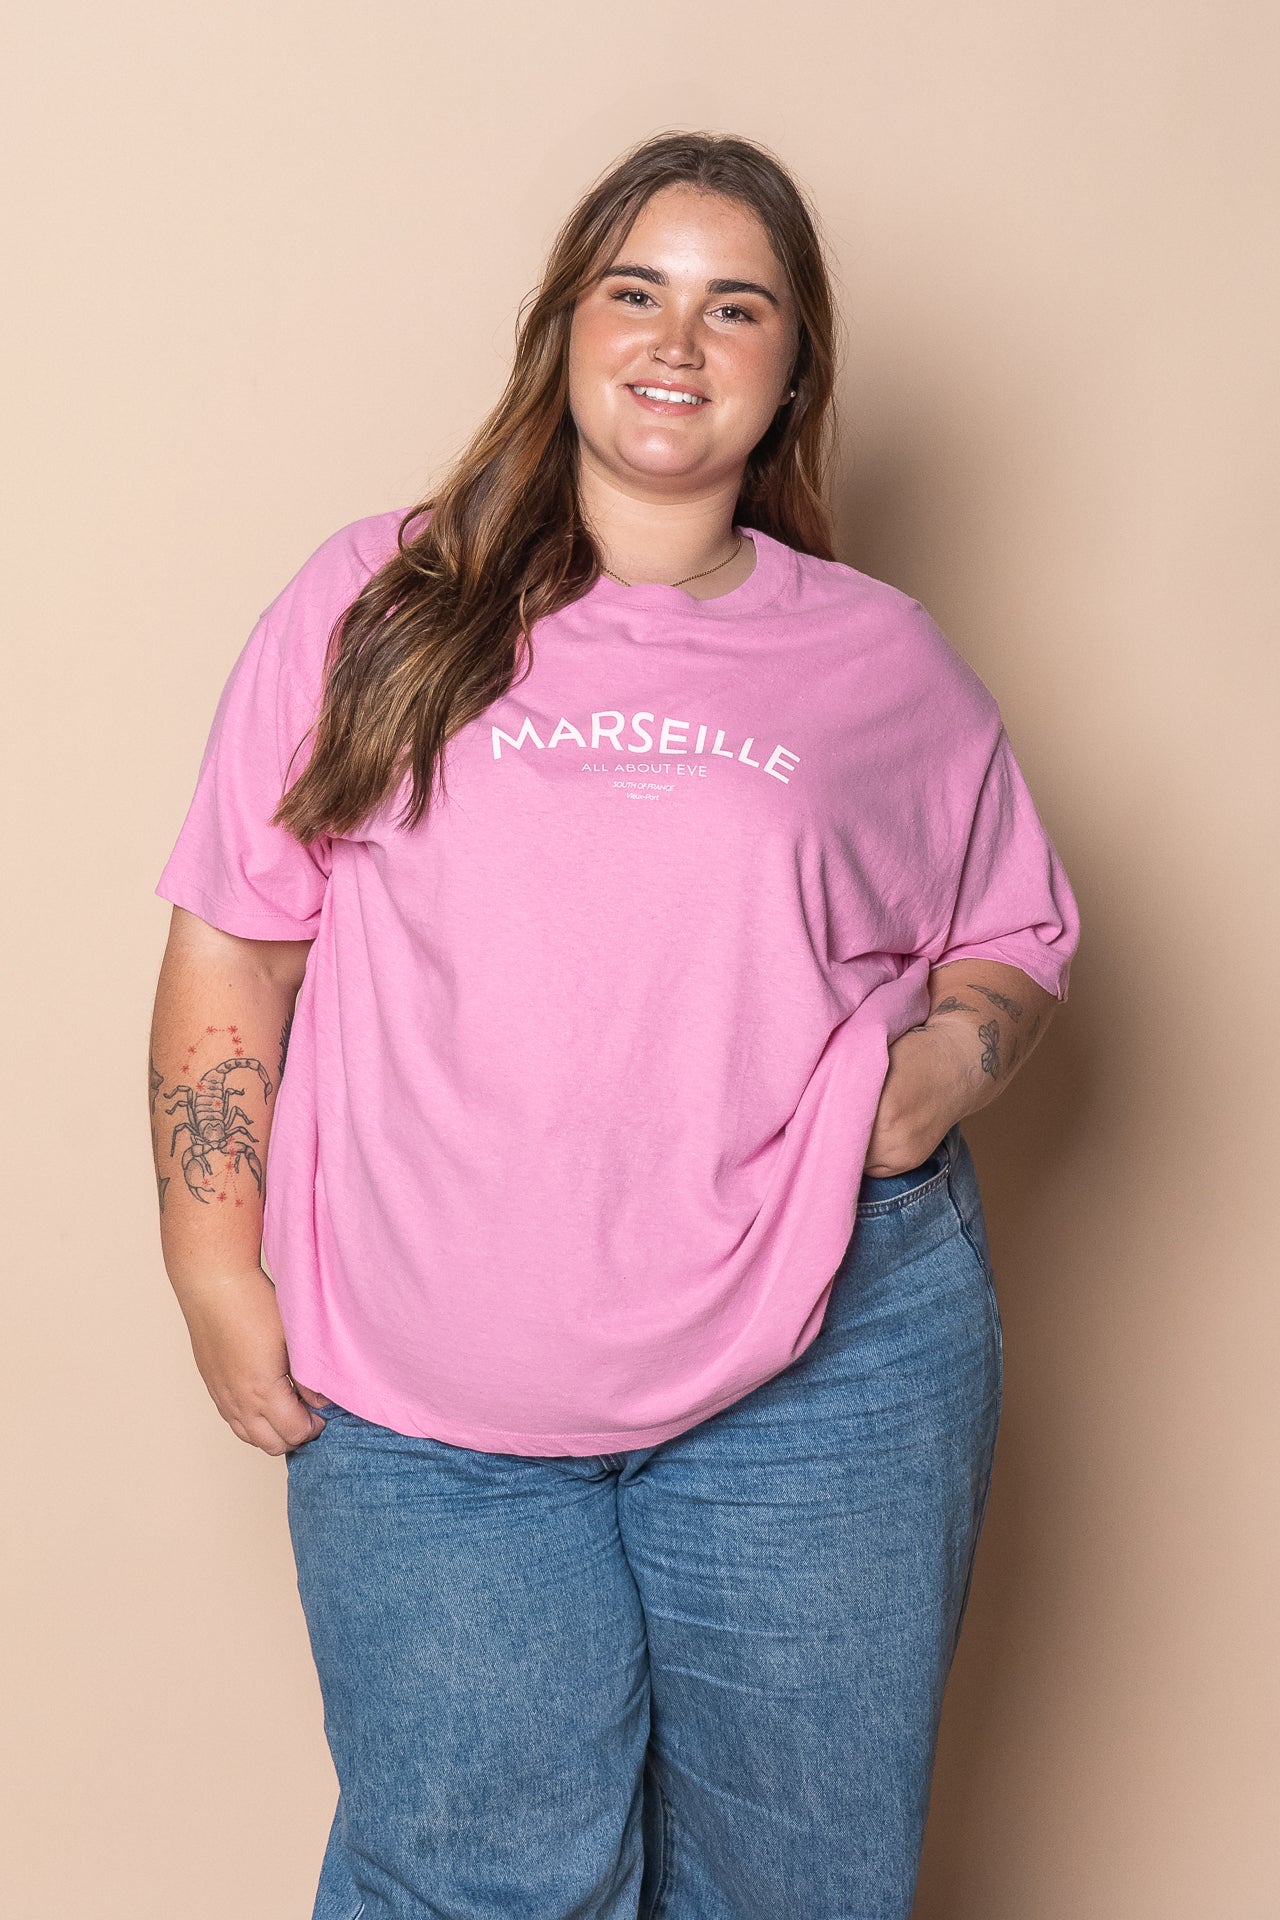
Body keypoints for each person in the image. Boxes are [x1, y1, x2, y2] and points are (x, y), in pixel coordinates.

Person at [148, 130, 1080, 1920]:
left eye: (737, 308)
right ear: (563, 329)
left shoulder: (877, 656)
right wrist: (210, 1263)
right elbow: (233, 946)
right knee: (469, 1878)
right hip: (431, 1377)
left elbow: (1016, 934)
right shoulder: (380, 601)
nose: (677, 339)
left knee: (798, 1886)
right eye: (635, 291)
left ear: (792, 373)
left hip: (830, 1362)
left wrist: (931, 1080)